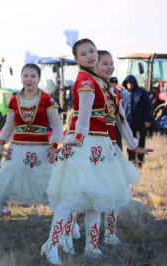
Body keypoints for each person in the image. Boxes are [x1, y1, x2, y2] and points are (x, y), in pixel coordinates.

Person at [42, 39, 131, 265]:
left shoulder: (98, 81)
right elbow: (83, 112)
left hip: (100, 144)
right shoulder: (86, 81)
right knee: (72, 196)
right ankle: (51, 245)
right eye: (84, 54)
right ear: (77, 59)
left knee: (97, 197)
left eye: (92, 51)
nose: (90, 56)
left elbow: (116, 119)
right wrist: (79, 136)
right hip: (86, 143)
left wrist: (134, 145)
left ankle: (92, 247)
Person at [58, 50, 153, 255]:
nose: (109, 67)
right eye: (104, 64)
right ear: (94, 66)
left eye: (112, 63)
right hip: (86, 146)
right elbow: (79, 116)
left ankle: (108, 235)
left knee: (111, 192)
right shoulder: (89, 86)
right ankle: (66, 236)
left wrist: (134, 146)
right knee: (80, 191)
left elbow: (121, 122)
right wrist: (74, 140)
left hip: (109, 147)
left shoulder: (114, 92)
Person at [0, 60, 63, 242]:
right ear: (21, 77)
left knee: (53, 191)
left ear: (38, 78)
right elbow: (9, 126)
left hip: (42, 152)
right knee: (1, 191)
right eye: (25, 75)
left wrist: (54, 148)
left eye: (33, 76)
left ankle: (70, 230)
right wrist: (0, 143)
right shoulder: (14, 99)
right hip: (17, 151)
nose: (28, 79)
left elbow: (57, 126)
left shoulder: (47, 99)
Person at [121, 75, 152, 167]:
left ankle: (139, 161)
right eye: (128, 83)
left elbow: (148, 106)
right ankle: (131, 160)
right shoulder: (123, 93)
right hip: (128, 123)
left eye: (131, 83)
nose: (129, 84)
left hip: (140, 122)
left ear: (135, 83)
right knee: (130, 141)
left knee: (140, 141)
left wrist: (147, 119)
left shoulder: (142, 92)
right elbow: (121, 108)